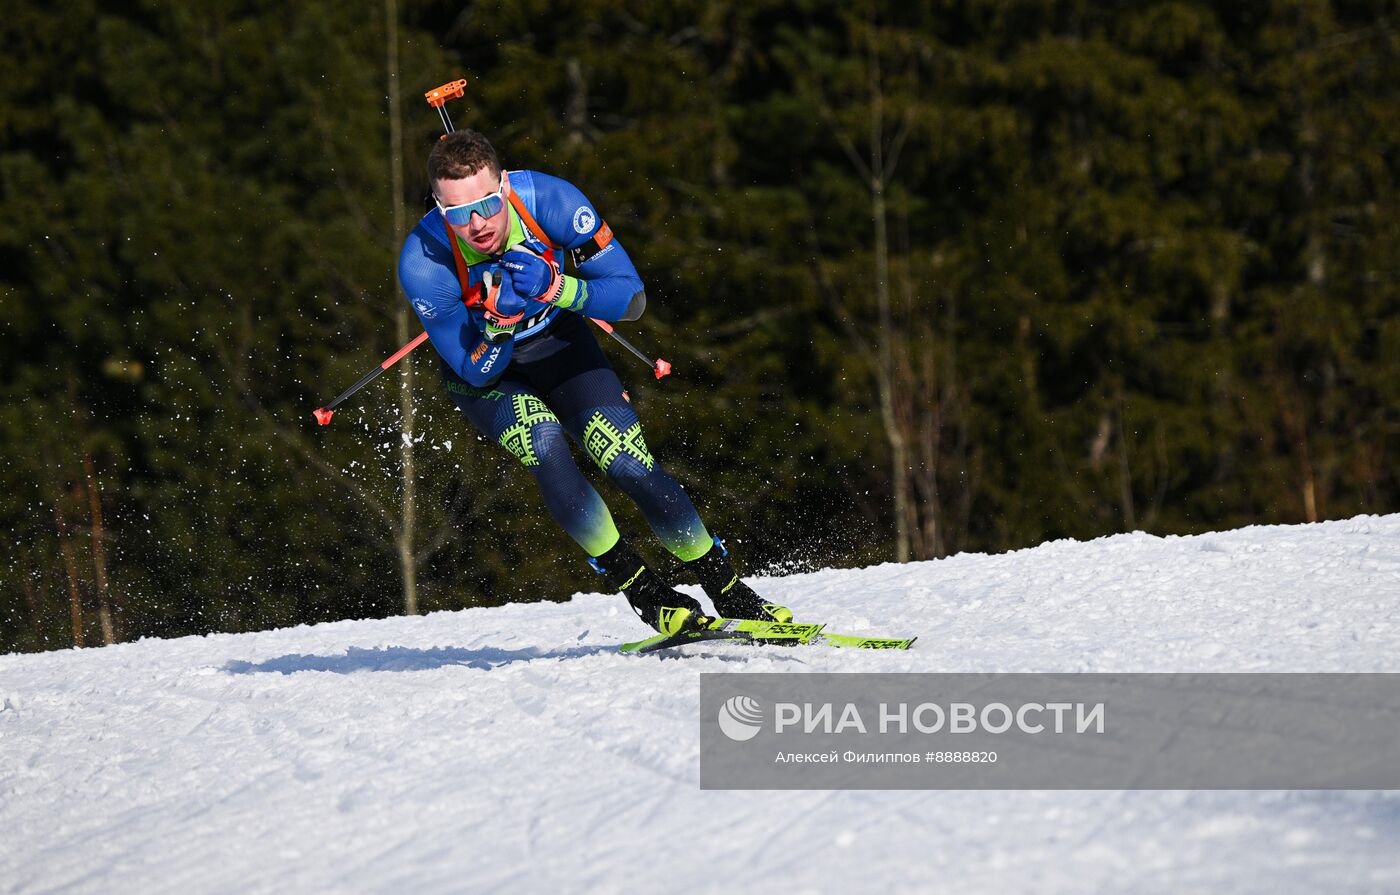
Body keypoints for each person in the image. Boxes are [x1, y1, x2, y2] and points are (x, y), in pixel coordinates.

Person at [397, 129, 791, 634]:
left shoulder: (551, 201)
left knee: (627, 461)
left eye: (487, 206)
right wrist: (498, 323)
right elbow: (476, 367)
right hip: (488, 374)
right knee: (545, 441)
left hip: (560, 344)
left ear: (503, 187)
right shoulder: (424, 259)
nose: (476, 224)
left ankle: (729, 589)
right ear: (437, 205)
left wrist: (557, 287)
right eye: (456, 212)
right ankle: (647, 595)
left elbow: (630, 299)